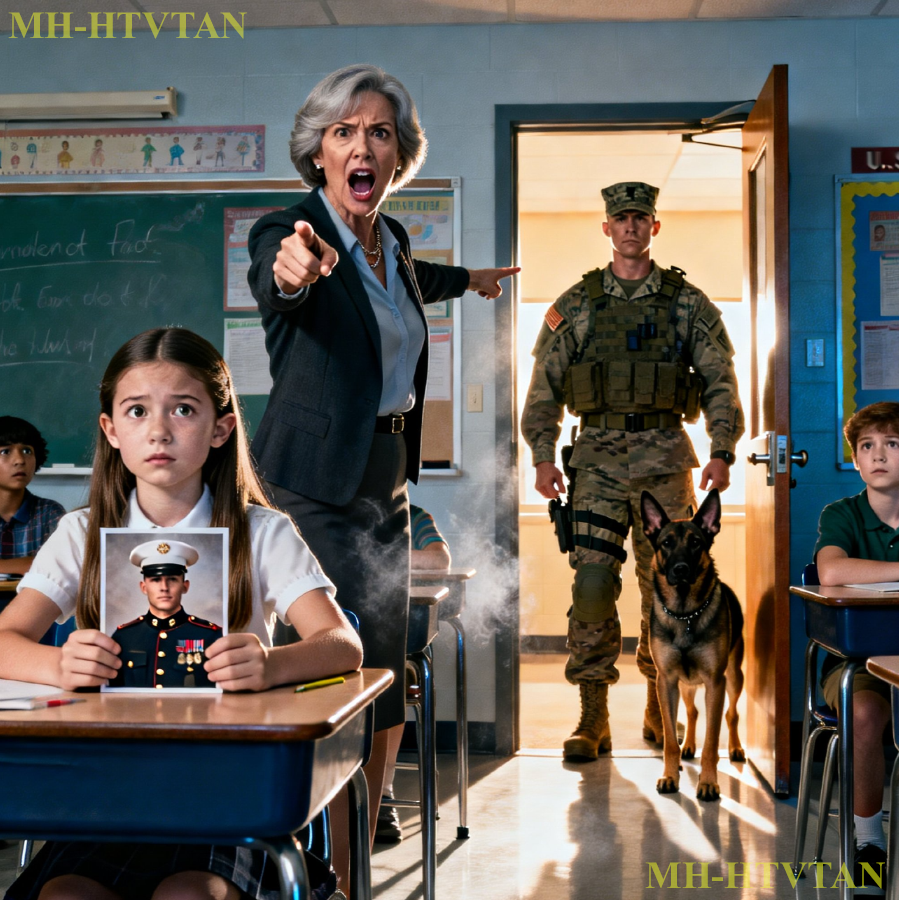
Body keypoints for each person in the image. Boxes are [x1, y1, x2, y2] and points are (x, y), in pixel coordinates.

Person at [246, 63, 517, 856]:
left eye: (380, 133)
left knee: (391, 662)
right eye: (344, 132)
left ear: (398, 158)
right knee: (338, 654)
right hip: (309, 482)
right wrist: (292, 270)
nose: (362, 145)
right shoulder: (291, 232)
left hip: (385, 478)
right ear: (319, 154)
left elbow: (410, 281)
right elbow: (280, 278)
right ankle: (305, 835)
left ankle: (359, 831)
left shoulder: (390, 239)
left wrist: (470, 280)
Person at [0, 327, 362, 900]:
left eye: (184, 409)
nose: (160, 429)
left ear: (221, 429)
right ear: (111, 431)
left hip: (228, 785)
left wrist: (269, 664)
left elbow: (342, 645)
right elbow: (5, 639)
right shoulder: (82, 532)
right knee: (64, 896)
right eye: (138, 410)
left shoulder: (261, 531)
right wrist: (58, 663)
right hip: (112, 787)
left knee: (189, 895)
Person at [521, 181, 744, 761]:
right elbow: (543, 386)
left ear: (653, 227)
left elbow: (720, 377)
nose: (630, 226)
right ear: (606, 228)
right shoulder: (578, 302)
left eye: (640, 217)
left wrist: (722, 447)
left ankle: (656, 697)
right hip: (593, 463)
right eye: (621, 218)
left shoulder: (684, 302)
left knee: (666, 586)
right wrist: (542, 456)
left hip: (667, 459)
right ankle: (592, 715)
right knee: (593, 587)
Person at [815, 400, 899, 886]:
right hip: (859, 664)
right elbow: (831, 571)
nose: (879, 455)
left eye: (891, 444)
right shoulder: (842, 514)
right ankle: (869, 839)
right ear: (856, 459)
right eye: (867, 446)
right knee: (865, 714)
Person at [375, 503, 451, 843]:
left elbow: (438, 560)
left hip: (391, 641)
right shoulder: (321, 511)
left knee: (392, 677)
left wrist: (374, 555)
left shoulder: (414, 516)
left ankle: (383, 792)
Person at [109, 539, 223, 689]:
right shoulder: (123, 636)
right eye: (156, 580)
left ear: (185, 586)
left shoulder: (210, 636)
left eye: (172, 579)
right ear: (143, 587)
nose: (164, 587)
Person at [0, 416, 65, 584]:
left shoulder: (50, 513)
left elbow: (60, 567)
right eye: (5, 451)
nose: (20, 460)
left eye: (27, 451)